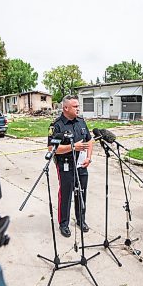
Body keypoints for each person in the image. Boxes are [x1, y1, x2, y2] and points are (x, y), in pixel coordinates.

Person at [48, 95, 93, 238]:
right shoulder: (56, 125)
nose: (78, 108)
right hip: (66, 165)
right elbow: (51, 148)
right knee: (66, 194)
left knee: (81, 192)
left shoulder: (81, 122)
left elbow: (89, 140)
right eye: (75, 106)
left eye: (78, 106)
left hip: (81, 165)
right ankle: (64, 224)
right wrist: (73, 147)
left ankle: (81, 220)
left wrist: (89, 157)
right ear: (65, 108)